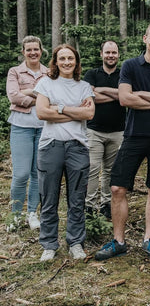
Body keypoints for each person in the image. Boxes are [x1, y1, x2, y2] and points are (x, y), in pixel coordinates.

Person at [95, 22, 150, 260]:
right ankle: (118, 241)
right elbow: (124, 99)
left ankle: (148, 239)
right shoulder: (131, 65)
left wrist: (140, 95)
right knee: (117, 187)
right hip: (133, 134)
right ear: (145, 38)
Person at [35, 44, 95, 261]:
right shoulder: (45, 84)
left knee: (77, 198)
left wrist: (58, 108)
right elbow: (42, 112)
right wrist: (73, 111)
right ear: (55, 61)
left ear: (76, 61)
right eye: (62, 58)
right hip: (51, 146)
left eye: (71, 58)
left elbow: (89, 113)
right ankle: (49, 244)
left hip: (77, 147)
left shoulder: (84, 86)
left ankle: (75, 242)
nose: (67, 62)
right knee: (49, 197)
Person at [6, 36, 48, 231]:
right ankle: (15, 214)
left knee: (38, 174)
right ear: (23, 52)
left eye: (36, 49)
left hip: (44, 128)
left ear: (41, 50)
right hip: (21, 127)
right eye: (28, 49)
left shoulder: (49, 73)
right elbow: (13, 96)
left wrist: (27, 93)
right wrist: (36, 94)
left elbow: (52, 97)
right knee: (21, 174)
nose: (33, 52)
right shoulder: (15, 72)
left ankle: (32, 212)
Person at [83, 41, 126, 219]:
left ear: (118, 55)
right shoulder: (91, 74)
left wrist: (101, 91)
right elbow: (89, 97)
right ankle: (89, 205)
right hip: (94, 130)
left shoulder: (124, 74)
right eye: (107, 52)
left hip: (118, 131)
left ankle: (107, 203)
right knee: (92, 168)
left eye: (114, 52)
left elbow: (125, 98)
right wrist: (116, 94)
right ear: (101, 54)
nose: (111, 55)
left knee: (111, 170)